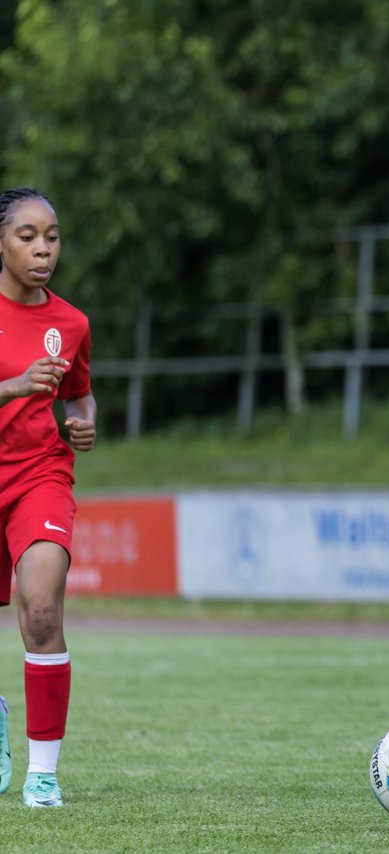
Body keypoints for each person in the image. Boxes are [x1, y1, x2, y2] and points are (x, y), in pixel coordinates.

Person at [0, 188, 96, 809]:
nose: (43, 249)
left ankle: (42, 774)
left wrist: (84, 421)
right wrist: (12, 386)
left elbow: (79, 395)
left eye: (52, 236)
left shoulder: (72, 323)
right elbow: (18, 386)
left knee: (41, 611)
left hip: (39, 475)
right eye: (27, 236)